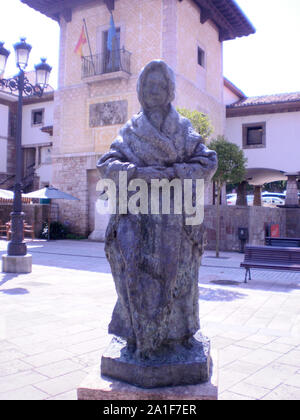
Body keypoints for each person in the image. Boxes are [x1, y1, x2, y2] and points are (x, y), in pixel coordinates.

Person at [97, 60, 217, 360]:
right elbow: (106, 164)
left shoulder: (184, 129)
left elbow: (207, 163)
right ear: (140, 89)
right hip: (137, 218)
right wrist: (137, 173)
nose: (154, 90)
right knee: (135, 276)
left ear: (169, 91)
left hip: (176, 219)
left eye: (160, 85)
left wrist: (176, 171)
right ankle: (138, 338)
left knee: (180, 281)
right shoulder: (130, 129)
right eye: (148, 84)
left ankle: (179, 337)